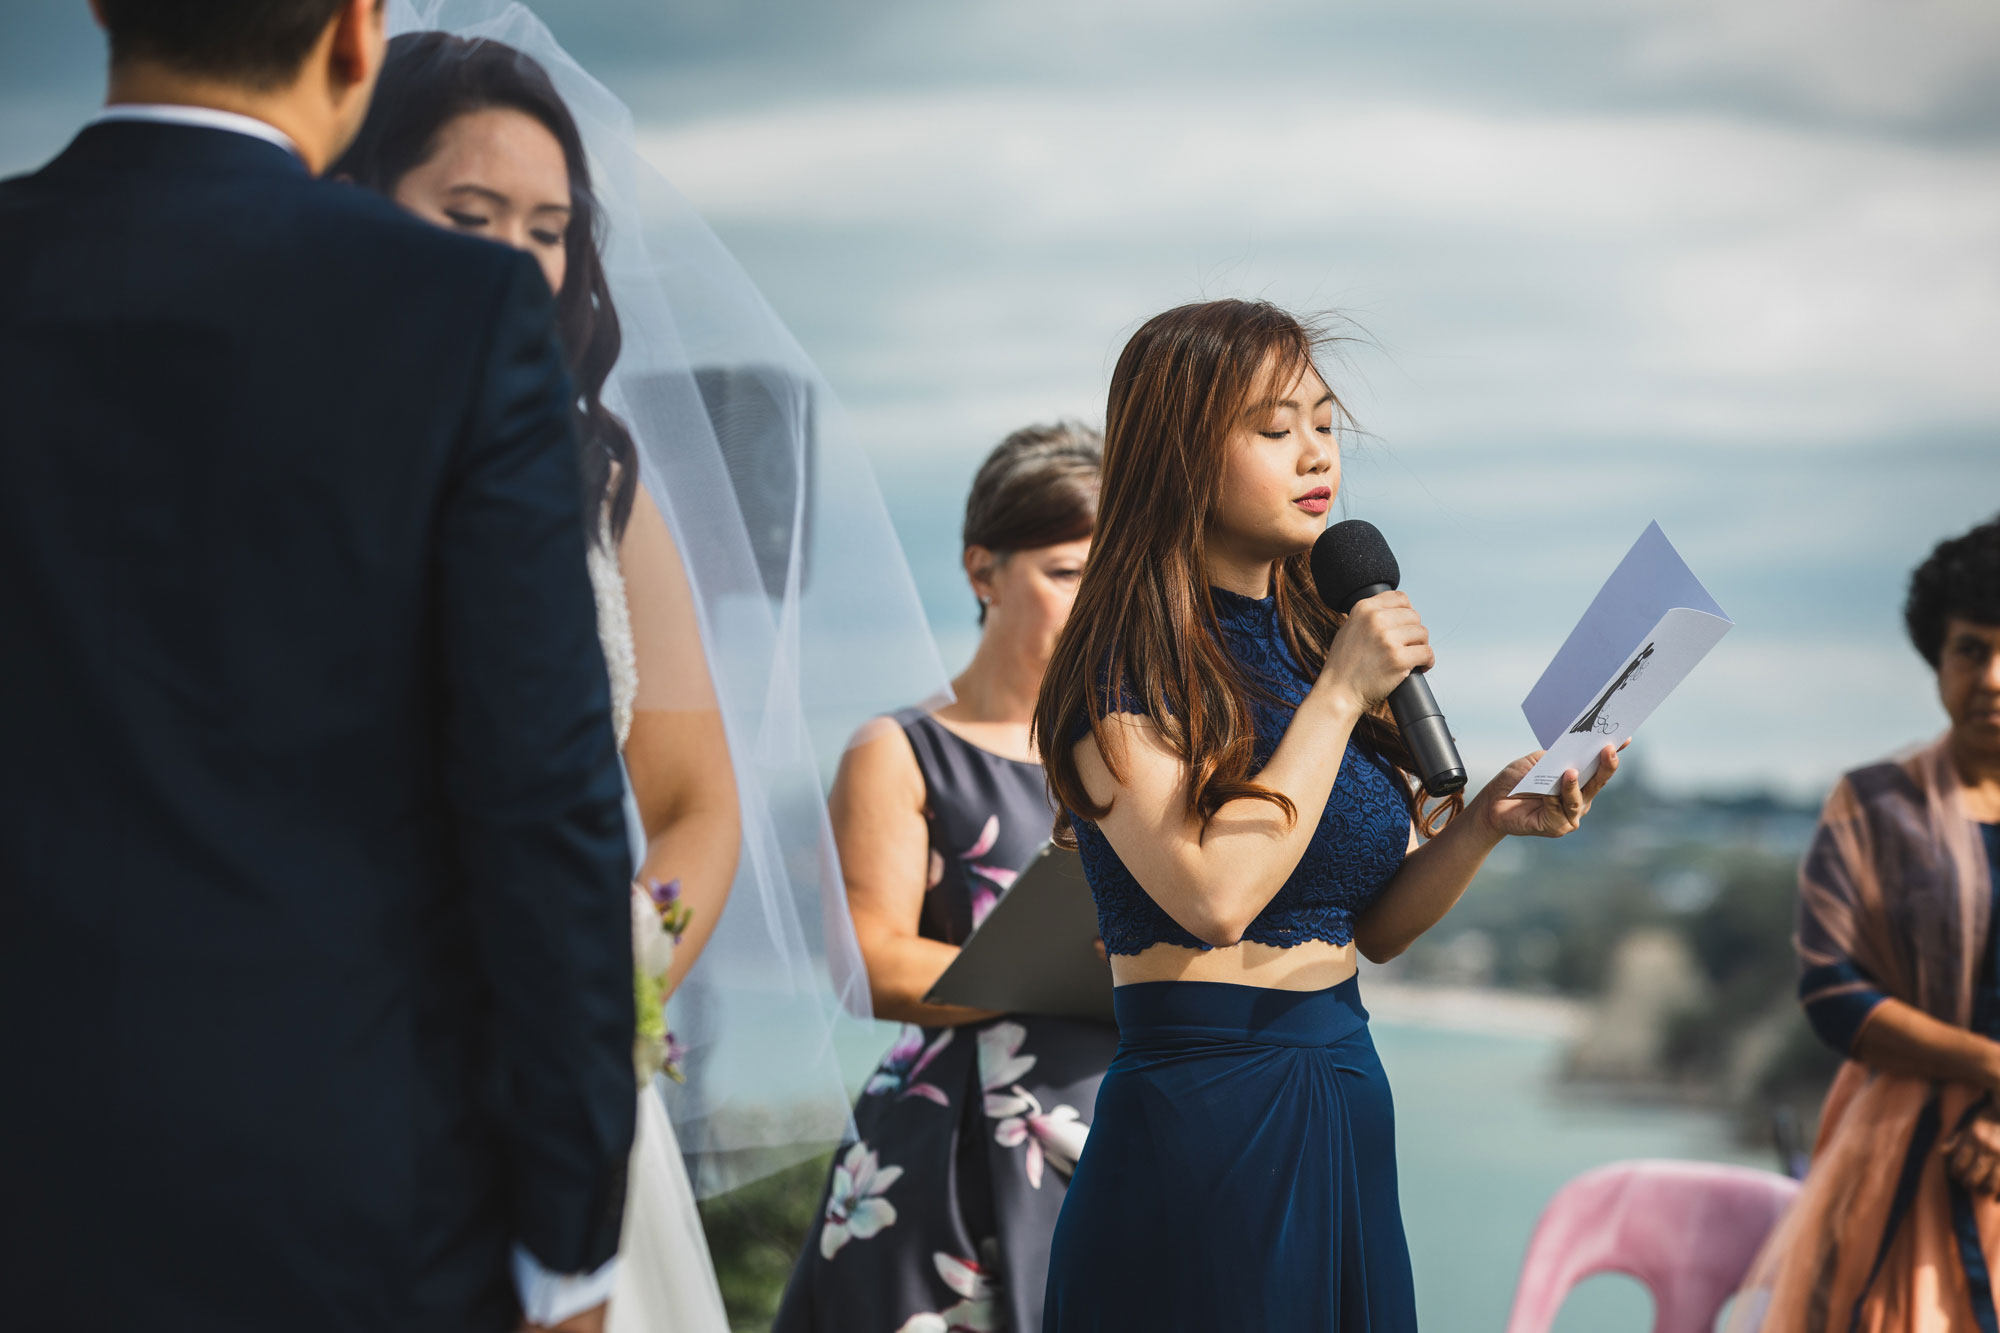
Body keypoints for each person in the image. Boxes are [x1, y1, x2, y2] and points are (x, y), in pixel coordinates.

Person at [0, 3, 636, 1332]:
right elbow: (541, 797)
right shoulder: (455, 316)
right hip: (351, 1179)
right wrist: (572, 1236)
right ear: (357, 33)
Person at [1033, 299, 1623, 1331]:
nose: (1313, 453)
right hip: (1202, 1112)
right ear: (1178, 458)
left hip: (1345, 1081)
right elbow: (1214, 896)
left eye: (1322, 422)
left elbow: (1374, 930)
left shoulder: (1317, 647)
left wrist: (1483, 818)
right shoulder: (1119, 675)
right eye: (1272, 429)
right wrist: (1343, 694)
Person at [332, 30, 744, 1333]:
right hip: (327, 1069)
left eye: (549, 225)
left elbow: (693, 803)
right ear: (363, 199)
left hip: (562, 1087)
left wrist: (617, 970)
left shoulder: (601, 483)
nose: (518, 253)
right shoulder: (283, 437)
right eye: (470, 213)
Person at [775, 423, 1122, 1333]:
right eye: (1065, 572)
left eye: (1110, 576)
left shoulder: (1141, 754)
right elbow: (872, 966)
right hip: (952, 1153)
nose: (1094, 603)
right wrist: (1055, 967)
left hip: (1119, 1136)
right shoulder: (900, 750)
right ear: (981, 571)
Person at [1727, 514, 2000, 1333]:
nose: (1992, 676)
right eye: (1970, 649)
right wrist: (1991, 1061)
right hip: (1897, 1168)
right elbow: (1833, 990)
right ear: (1936, 657)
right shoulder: (1874, 805)